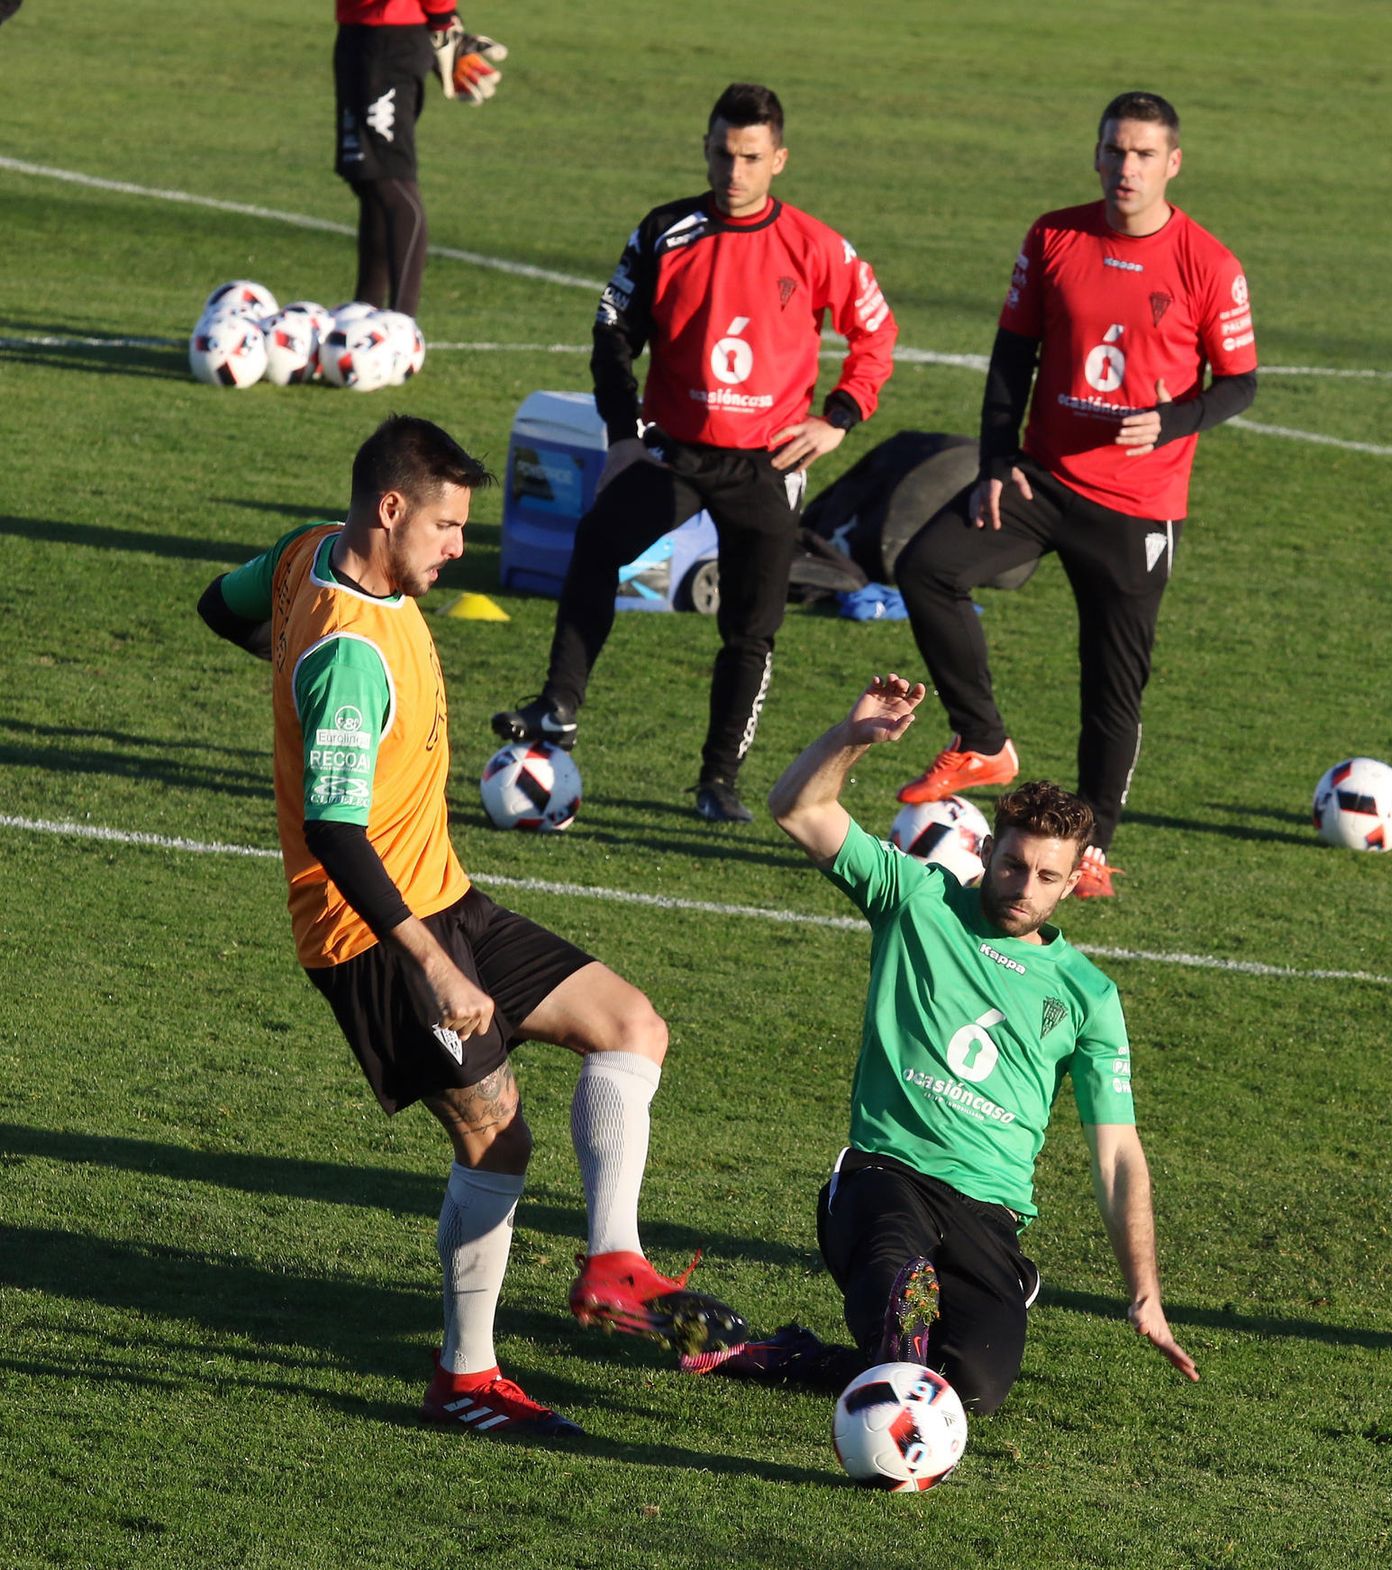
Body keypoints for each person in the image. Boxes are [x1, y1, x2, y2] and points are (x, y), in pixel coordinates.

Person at [196, 415, 743, 1440]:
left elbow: (216, 606)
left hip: (445, 893)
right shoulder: (349, 656)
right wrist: (434, 969)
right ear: (391, 509)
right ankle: (467, 1379)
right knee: (497, 1140)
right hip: (377, 935)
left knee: (631, 1025)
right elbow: (335, 830)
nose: (459, 546)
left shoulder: (302, 552)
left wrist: (282, 671)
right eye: (448, 526)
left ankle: (613, 1263)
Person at [682, 674, 1196, 1413]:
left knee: (968, 1393)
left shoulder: (1089, 996)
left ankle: (788, 1356)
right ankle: (894, 1341)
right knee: (899, 1294)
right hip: (885, 1177)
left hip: (989, 1213)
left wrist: (1144, 1293)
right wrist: (850, 739)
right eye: (1014, 863)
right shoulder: (917, 899)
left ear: (1075, 880)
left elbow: (1118, 1155)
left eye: (1047, 876)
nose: (1023, 886)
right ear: (989, 848)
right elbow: (798, 808)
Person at [491, 82, 898, 825]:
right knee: (596, 544)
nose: (732, 172)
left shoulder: (815, 245)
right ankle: (558, 707)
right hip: (673, 454)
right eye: (720, 153)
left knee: (750, 628)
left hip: (767, 468)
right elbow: (612, 332)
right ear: (705, 149)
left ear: (778, 159)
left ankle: (718, 782)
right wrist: (621, 435)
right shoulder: (665, 231)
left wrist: (839, 416)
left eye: (749, 157)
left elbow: (875, 330)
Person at [894, 91, 1258, 897]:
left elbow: (1239, 384)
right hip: (1042, 480)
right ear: (1097, 155)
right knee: (927, 567)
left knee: (1111, 686)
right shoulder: (1054, 235)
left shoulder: (1209, 263)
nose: (1126, 167)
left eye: (1142, 154)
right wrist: (997, 458)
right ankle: (983, 739)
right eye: (1114, 151)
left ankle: (1088, 853)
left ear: (1173, 163)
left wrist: (1170, 420)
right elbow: (1011, 354)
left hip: (1138, 508)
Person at [333, 3, 506, 317]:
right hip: (357, 30)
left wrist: (442, 20)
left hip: (389, 37)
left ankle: (402, 325)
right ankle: (362, 316)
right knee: (368, 179)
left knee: (390, 183)